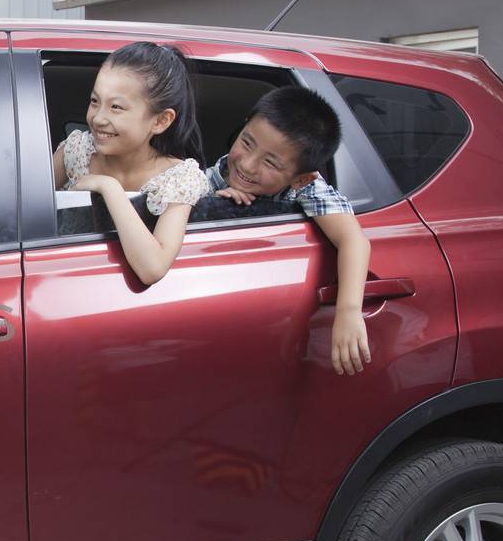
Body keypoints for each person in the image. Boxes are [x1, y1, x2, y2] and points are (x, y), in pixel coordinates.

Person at [208, 86, 373, 374]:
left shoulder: (306, 187)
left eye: (270, 162)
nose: (247, 164)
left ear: (301, 177)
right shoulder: (207, 177)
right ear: (245, 124)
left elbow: (353, 240)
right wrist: (209, 205)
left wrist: (348, 313)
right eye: (247, 143)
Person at [54, 42, 209, 285]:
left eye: (116, 107)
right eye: (95, 101)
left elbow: (152, 268)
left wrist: (109, 187)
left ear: (160, 121)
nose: (98, 118)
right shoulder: (76, 151)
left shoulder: (179, 179)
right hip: (65, 282)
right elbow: (17, 214)